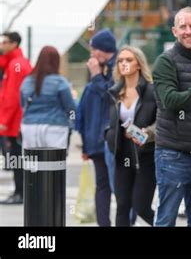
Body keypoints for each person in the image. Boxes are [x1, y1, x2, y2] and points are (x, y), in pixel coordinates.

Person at [152, 6, 191, 227]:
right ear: (174, 31)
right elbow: (169, 101)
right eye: (183, 27)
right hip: (172, 154)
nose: (188, 31)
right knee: (166, 219)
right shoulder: (165, 61)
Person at [106, 46, 157, 226]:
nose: (124, 64)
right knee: (122, 205)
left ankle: (164, 223)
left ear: (139, 65)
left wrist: (147, 133)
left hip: (145, 154)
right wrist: (109, 135)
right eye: (120, 61)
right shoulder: (114, 93)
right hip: (121, 153)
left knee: (141, 205)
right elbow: (109, 123)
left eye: (129, 60)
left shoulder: (151, 90)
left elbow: (162, 122)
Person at [76, 29, 117, 226]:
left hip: (113, 139)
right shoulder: (97, 71)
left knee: (118, 184)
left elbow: (112, 95)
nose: (92, 54)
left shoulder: (118, 66)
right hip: (96, 140)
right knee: (102, 184)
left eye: (94, 50)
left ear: (104, 49)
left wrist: (96, 75)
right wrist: (85, 145)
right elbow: (83, 108)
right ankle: (103, 223)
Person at [20, 46, 76, 150]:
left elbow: (23, 104)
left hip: (30, 126)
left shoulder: (26, 82)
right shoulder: (60, 82)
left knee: (33, 164)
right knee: (54, 163)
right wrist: (72, 123)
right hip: (55, 127)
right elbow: (70, 108)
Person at [0, 32, 32, 205]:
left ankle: (20, 192)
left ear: (14, 43)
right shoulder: (15, 63)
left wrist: (4, 121)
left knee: (16, 157)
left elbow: (12, 96)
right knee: (16, 156)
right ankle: (19, 191)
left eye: (5, 42)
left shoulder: (16, 65)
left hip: (14, 121)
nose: (2, 45)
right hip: (16, 120)